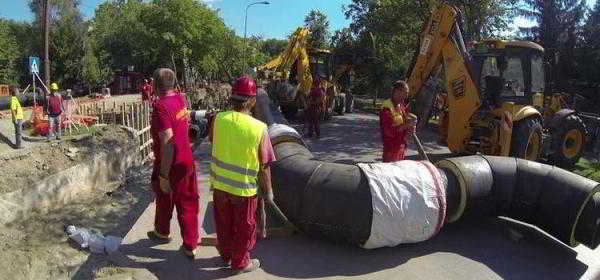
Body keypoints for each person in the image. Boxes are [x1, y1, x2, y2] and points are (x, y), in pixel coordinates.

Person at [209, 75, 275, 274]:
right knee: (245, 228)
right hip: (243, 190)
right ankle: (240, 262)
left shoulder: (218, 119)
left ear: (232, 97)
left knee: (224, 224)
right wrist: (269, 190)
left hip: (220, 186)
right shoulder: (259, 128)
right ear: (253, 100)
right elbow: (264, 166)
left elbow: (213, 141)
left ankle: (226, 255)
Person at [147, 68, 199, 259]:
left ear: (154, 85)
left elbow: (168, 143)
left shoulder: (161, 106)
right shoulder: (180, 99)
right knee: (181, 200)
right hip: (186, 158)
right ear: (173, 83)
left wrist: (163, 174)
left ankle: (183, 242)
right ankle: (177, 238)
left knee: (170, 196)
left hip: (171, 162)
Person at [379, 80, 415, 162]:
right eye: (405, 92)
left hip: (400, 147)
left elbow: (405, 121)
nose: (407, 95)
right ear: (397, 91)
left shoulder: (401, 105)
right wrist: (406, 125)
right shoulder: (386, 107)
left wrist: (410, 127)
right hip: (391, 149)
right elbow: (388, 131)